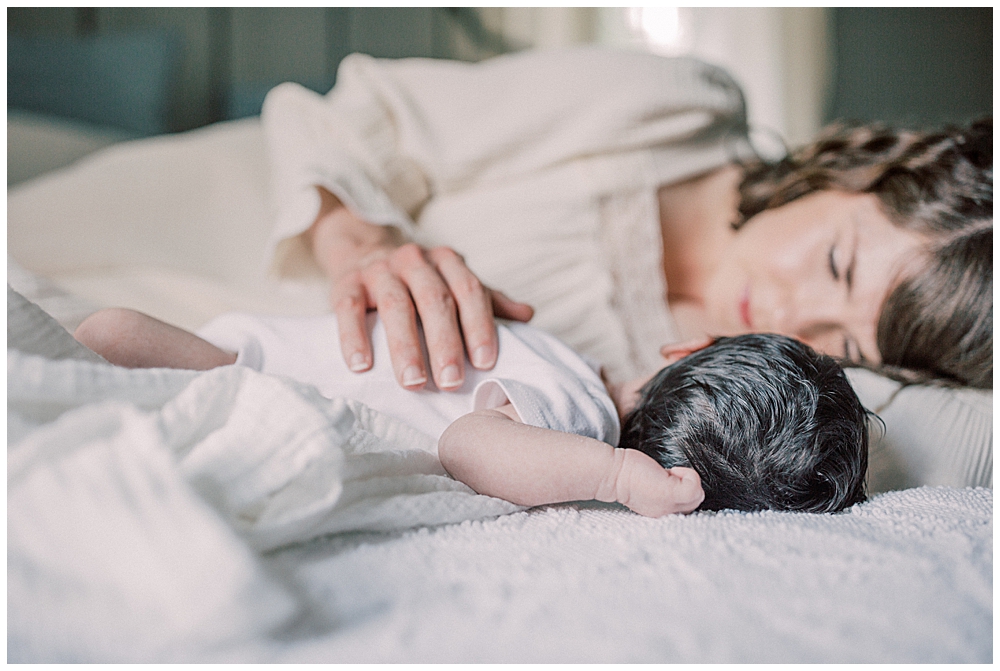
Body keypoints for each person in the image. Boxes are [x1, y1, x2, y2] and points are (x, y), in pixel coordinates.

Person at [260, 48, 992, 393]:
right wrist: (365, 246)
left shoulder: (753, 394)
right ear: (852, 174)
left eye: (846, 343)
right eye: (836, 262)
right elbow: (356, 115)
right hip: (233, 234)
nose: (786, 312)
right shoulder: (682, 108)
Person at [74, 307, 869, 515]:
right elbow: (468, 444)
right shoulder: (577, 408)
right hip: (269, 382)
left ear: (685, 348)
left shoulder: (559, 358)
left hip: (260, 356)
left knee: (118, 341)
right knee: (122, 348)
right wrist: (615, 473)